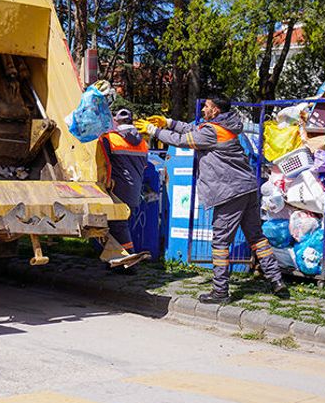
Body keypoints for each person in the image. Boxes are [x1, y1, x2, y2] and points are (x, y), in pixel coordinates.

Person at [135, 95, 288, 303]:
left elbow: (183, 140)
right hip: (248, 188)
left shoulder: (213, 132)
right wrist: (168, 122)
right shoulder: (224, 127)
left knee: (220, 242)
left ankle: (220, 291)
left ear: (215, 110)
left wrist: (155, 131)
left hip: (229, 192)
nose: (204, 110)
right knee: (257, 238)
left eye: (207, 107)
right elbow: (194, 130)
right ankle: (277, 281)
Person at [101, 108, 149, 264]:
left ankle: (129, 261)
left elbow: (103, 164)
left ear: (116, 120)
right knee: (121, 225)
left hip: (117, 188)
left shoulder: (109, 139)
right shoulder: (142, 142)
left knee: (118, 226)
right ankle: (115, 260)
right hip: (135, 189)